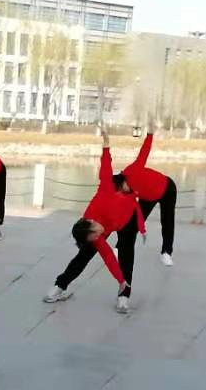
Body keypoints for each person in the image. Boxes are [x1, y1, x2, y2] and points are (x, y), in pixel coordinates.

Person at [42, 128, 145, 314]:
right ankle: (59, 286)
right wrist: (120, 279)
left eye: (96, 233)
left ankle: (124, 296)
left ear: (91, 223)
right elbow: (108, 257)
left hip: (128, 219)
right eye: (96, 237)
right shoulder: (95, 236)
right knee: (83, 256)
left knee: (126, 254)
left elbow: (105, 168)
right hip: (117, 219)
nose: (100, 236)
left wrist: (106, 146)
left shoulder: (105, 192)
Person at [118, 119, 178, 266]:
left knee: (167, 221)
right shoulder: (126, 193)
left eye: (121, 189)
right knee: (132, 223)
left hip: (167, 188)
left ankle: (166, 253)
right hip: (149, 197)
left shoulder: (132, 170)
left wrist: (150, 134)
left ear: (122, 181)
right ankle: (120, 247)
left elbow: (144, 152)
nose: (123, 192)